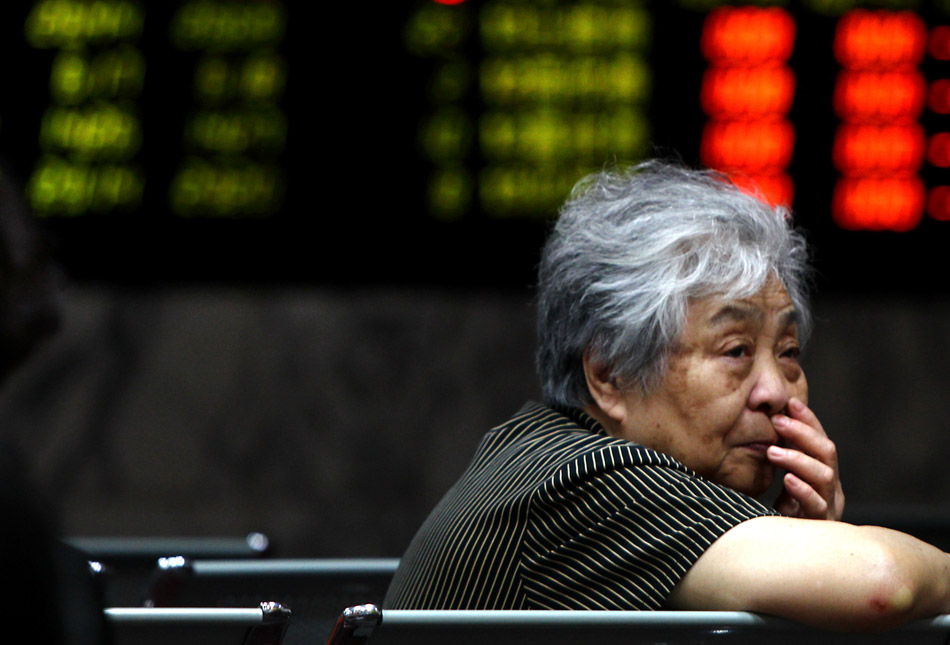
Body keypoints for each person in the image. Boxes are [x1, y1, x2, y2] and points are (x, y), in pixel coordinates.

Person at [384, 160, 950, 632]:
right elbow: (885, 584)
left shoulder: (547, 452)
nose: (778, 392)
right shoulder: (585, 480)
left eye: (789, 351)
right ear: (609, 374)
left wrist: (805, 548)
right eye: (734, 350)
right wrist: (828, 559)